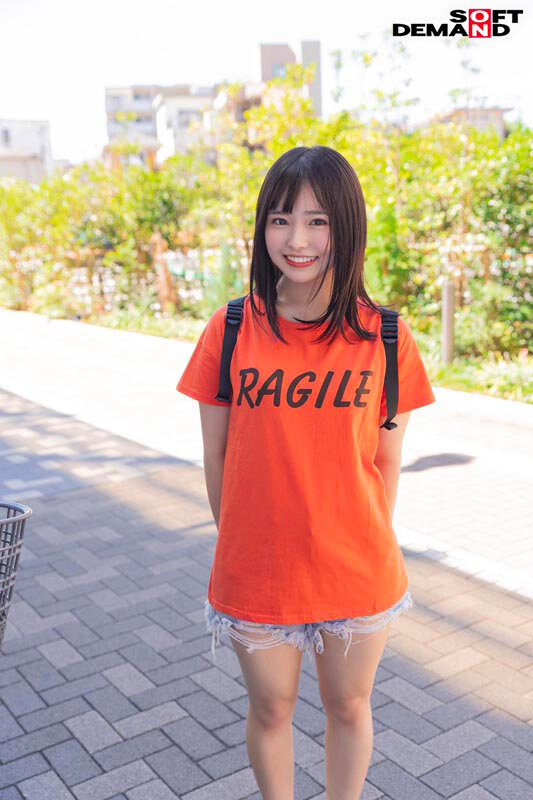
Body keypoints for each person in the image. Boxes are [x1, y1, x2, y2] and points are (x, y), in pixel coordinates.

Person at [176, 145, 436, 800]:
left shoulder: (386, 337)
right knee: (270, 709)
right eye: (281, 219)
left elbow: (384, 459)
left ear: (345, 226)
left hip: (355, 564)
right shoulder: (230, 329)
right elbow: (217, 455)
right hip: (257, 567)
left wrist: (358, 537)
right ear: (262, 227)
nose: (296, 240)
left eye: (317, 221)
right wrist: (242, 542)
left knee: (348, 706)